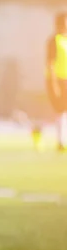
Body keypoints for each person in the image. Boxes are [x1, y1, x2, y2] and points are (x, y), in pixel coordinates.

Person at [46, 12, 67, 151]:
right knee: (60, 110)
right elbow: (51, 63)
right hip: (57, 80)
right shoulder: (54, 40)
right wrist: (54, 84)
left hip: (65, 79)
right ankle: (60, 141)